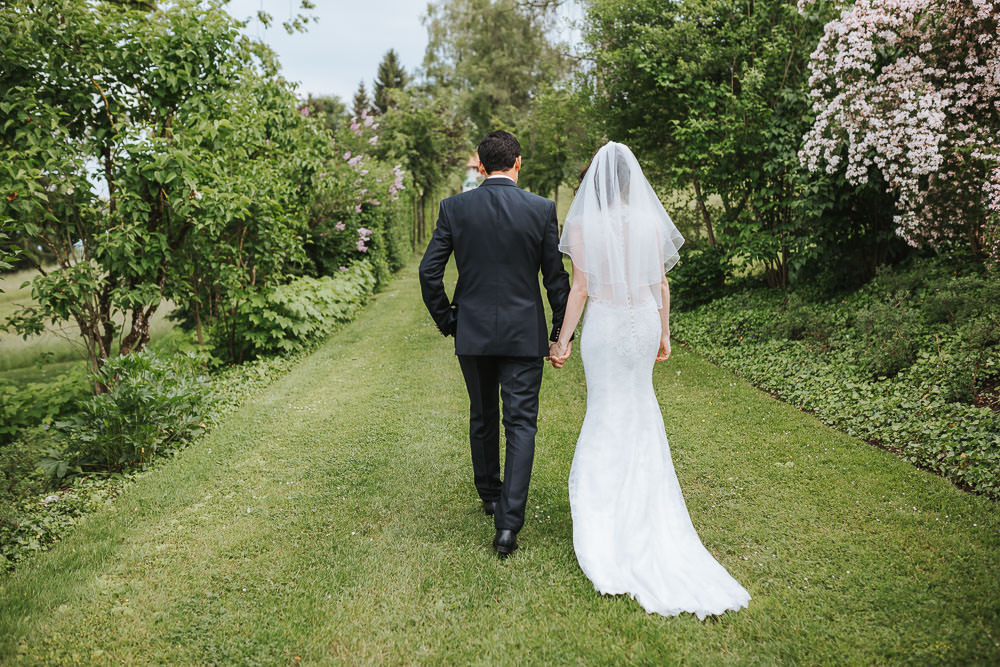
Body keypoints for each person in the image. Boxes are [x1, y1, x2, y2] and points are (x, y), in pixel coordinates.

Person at [548, 141, 751, 619]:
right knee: (639, 406)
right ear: (629, 181)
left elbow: (580, 288)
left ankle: (606, 517)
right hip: (641, 322)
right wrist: (663, 331)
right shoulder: (647, 221)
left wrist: (561, 341)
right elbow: (661, 283)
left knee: (605, 410)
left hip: (605, 325)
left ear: (594, 181)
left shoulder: (580, 224)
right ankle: (644, 508)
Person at [418, 130, 571, 557]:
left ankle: (489, 495)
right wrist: (561, 332)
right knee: (520, 424)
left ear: (481, 166)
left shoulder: (455, 208)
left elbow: (429, 273)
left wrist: (451, 321)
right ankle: (508, 527)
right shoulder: (542, 210)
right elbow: (556, 280)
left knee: (482, 415)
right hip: (524, 335)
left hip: (474, 331)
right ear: (518, 162)